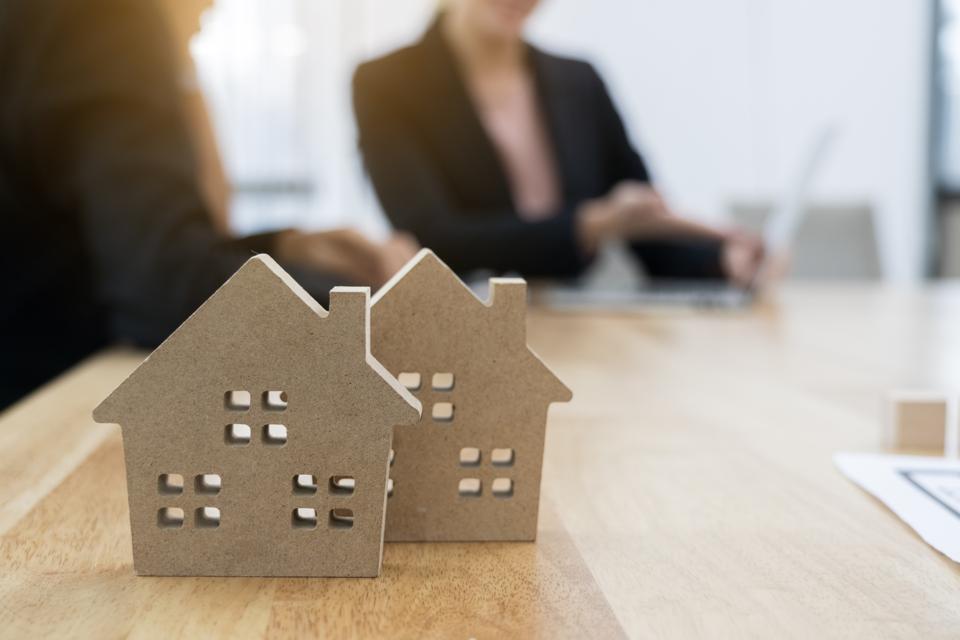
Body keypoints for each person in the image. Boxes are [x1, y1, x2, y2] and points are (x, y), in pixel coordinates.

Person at [0, 0, 416, 410]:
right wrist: (366, 311)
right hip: (32, 419)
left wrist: (279, 250)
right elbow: (160, 294)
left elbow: (108, 246)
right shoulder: (106, 16)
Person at [353, 0, 763, 283]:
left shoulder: (580, 80)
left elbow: (642, 224)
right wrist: (587, 226)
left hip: (579, 326)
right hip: (461, 330)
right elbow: (429, 236)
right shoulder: (385, 84)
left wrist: (722, 263)